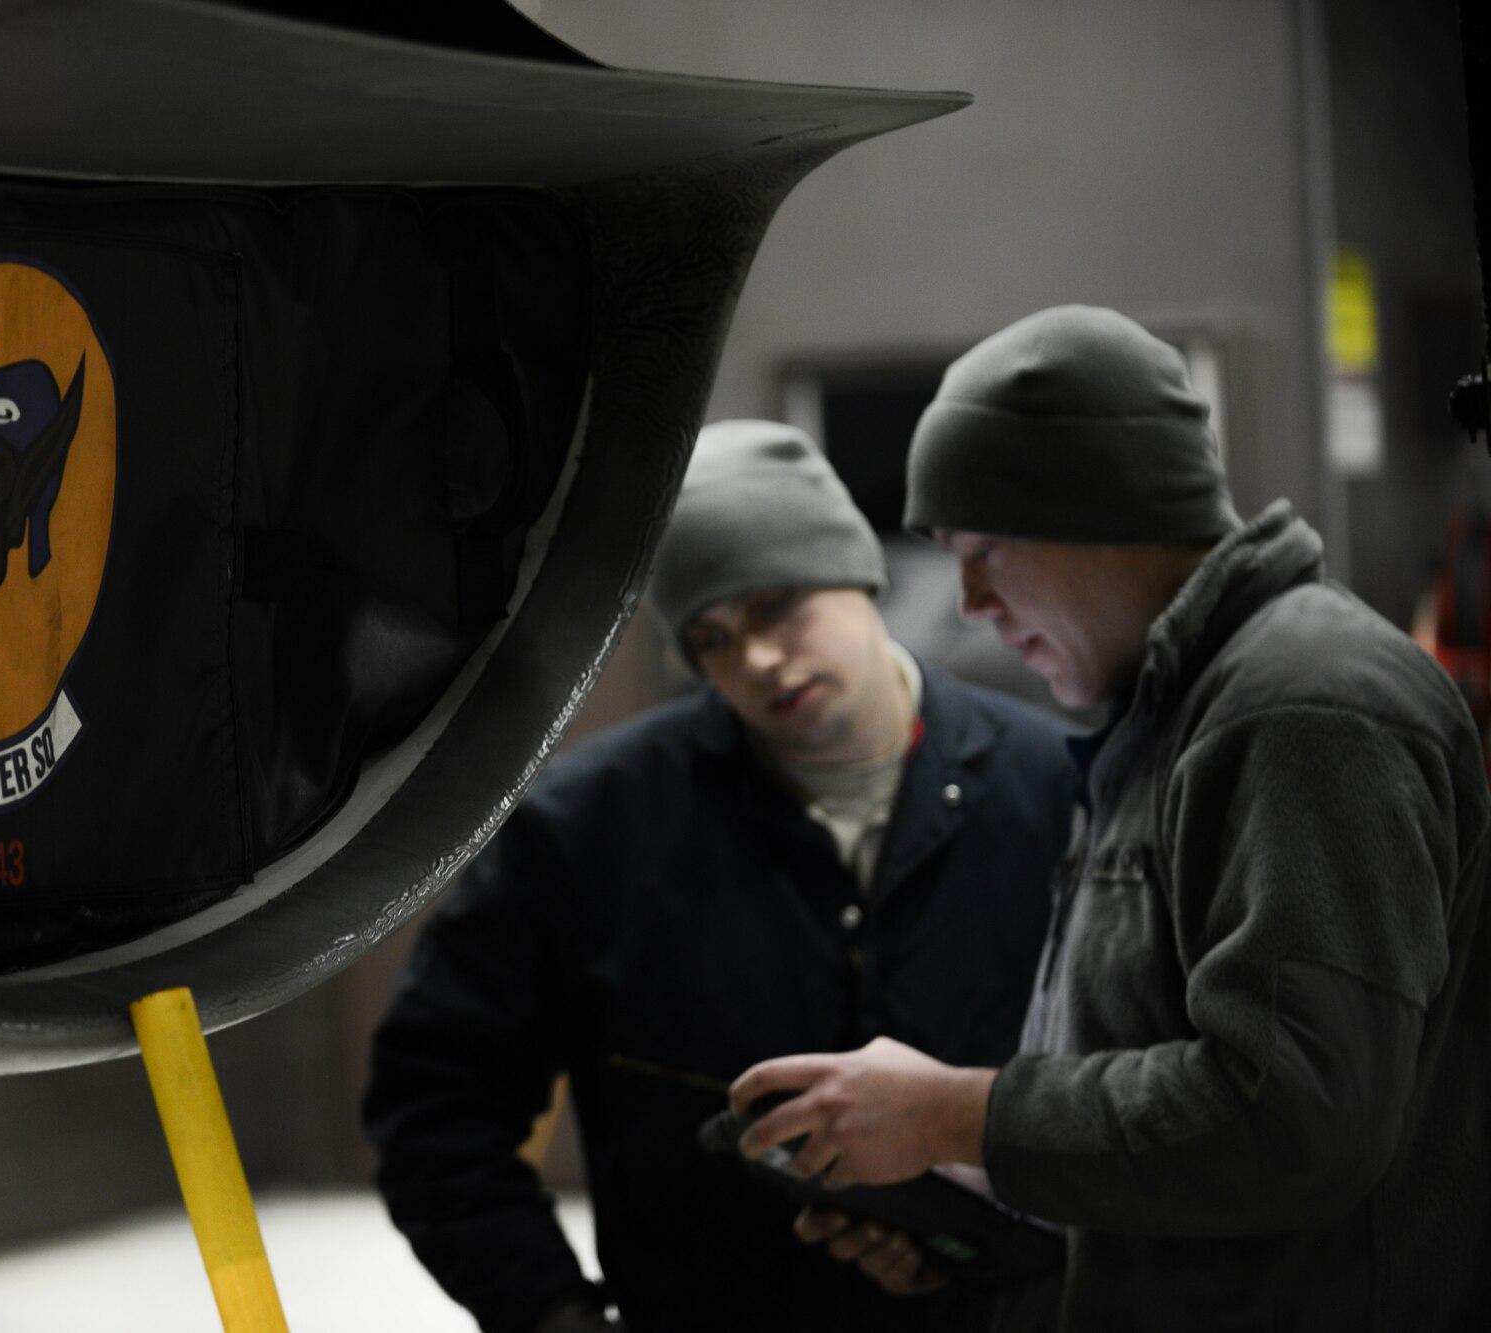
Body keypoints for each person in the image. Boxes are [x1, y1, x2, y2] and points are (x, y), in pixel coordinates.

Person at [729, 306, 1491, 1330]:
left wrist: (954, 1112)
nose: (967, 604)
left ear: (1099, 512)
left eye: (983, 548)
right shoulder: (1163, 711)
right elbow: (1170, 1124)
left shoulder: (1303, 704)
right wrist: (984, 1213)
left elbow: (1294, 1121)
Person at [363, 420, 1079, 1333]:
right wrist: (548, 1310)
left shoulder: (1060, 792)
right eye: (712, 636)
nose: (758, 659)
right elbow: (435, 1104)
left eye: (779, 605)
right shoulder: (589, 827)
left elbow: (1137, 1098)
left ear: (858, 573)